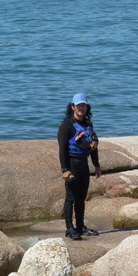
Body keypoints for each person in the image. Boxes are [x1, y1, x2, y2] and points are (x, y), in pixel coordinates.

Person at [57, 92, 101, 240]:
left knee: (81, 198)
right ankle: (70, 229)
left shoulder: (88, 124)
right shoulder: (66, 126)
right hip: (72, 163)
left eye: (84, 105)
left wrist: (96, 165)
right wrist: (65, 169)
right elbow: (62, 149)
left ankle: (80, 226)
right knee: (71, 197)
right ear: (73, 107)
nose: (82, 108)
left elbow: (93, 146)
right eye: (79, 105)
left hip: (83, 164)